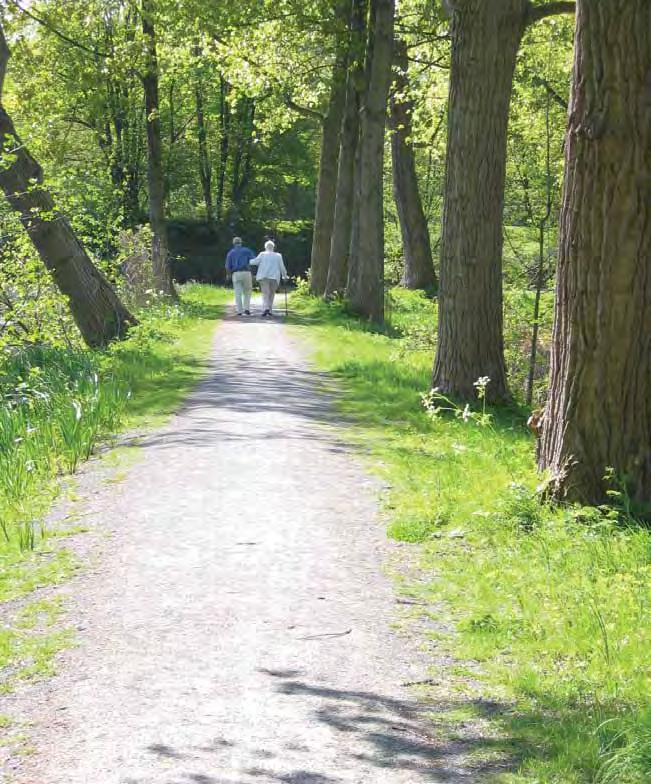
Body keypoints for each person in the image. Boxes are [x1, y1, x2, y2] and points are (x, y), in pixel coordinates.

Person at [250, 240, 288, 317]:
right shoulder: (278, 255)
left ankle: (265, 309)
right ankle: (269, 309)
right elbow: (282, 267)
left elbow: (255, 262)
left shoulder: (262, 254)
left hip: (264, 277)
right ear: (273, 247)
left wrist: (248, 260)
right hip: (274, 277)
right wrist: (284, 276)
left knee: (265, 293)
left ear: (265, 247)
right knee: (271, 293)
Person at [225, 237, 255, 316]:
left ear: (233, 243)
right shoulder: (247, 250)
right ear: (241, 242)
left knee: (237, 292)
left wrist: (228, 275)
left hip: (236, 273)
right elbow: (253, 261)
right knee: (247, 291)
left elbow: (227, 266)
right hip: (246, 272)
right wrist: (253, 272)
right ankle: (247, 309)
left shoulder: (231, 252)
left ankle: (239, 310)